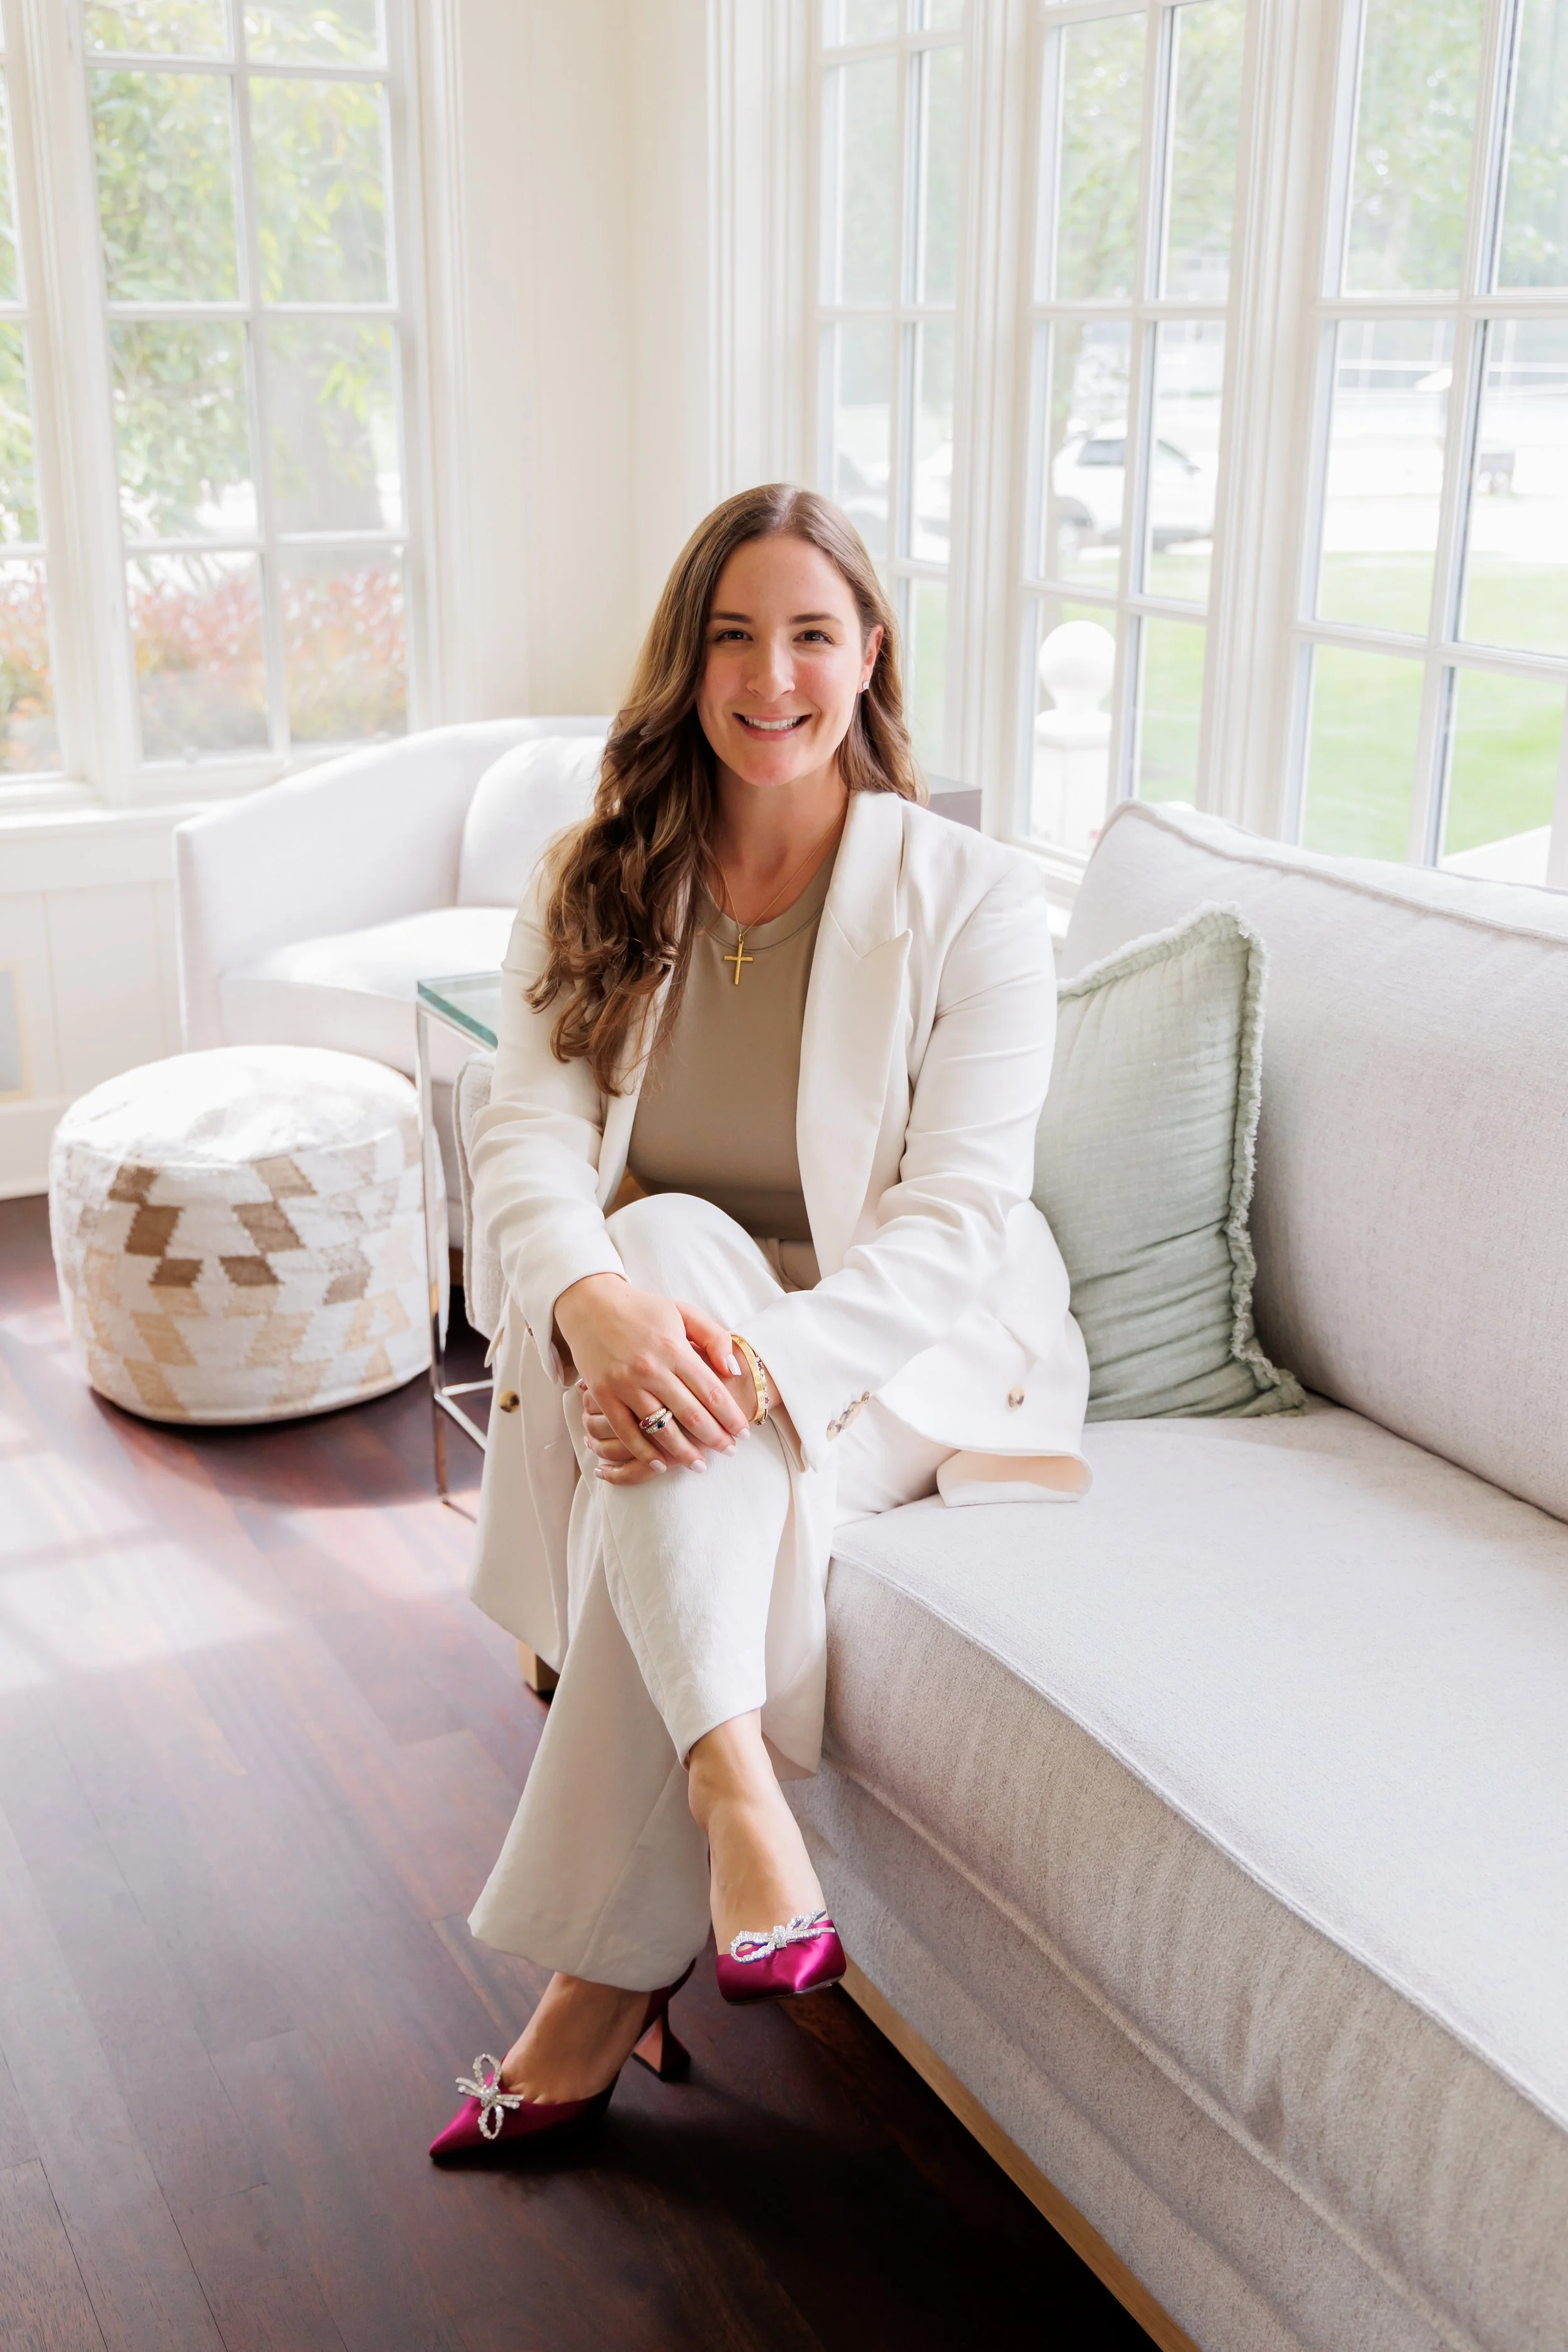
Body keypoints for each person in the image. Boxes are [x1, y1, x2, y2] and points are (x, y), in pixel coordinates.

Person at [430, 483, 1089, 2160]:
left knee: (675, 1402)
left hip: (899, 1344)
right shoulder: (597, 875)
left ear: (869, 655)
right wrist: (593, 1306)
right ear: (688, 661)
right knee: (651, 1234)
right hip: (663, 1311)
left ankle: (598, 1985)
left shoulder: (972, 897)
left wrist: (755, 1366)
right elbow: (524, 1134)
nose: (771, 674)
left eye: (810, 633)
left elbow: (958, 1220)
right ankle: (736, 1797)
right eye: (732, 635)